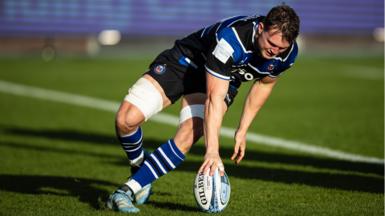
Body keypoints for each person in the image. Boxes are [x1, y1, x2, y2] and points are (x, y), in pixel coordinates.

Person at [107, 4, 300, 213]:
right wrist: (212, 152)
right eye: (271, 44)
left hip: (223, 79)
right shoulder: (232, 38)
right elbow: (214, 99)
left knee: (189, 132)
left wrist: (242, 130)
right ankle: (140, 170)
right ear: (261, 28)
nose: (274, 51)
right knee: (126, 120)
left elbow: (264, 83)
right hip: (185, 63)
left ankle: (126, 191)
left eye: (281, 48)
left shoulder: (287, 53)